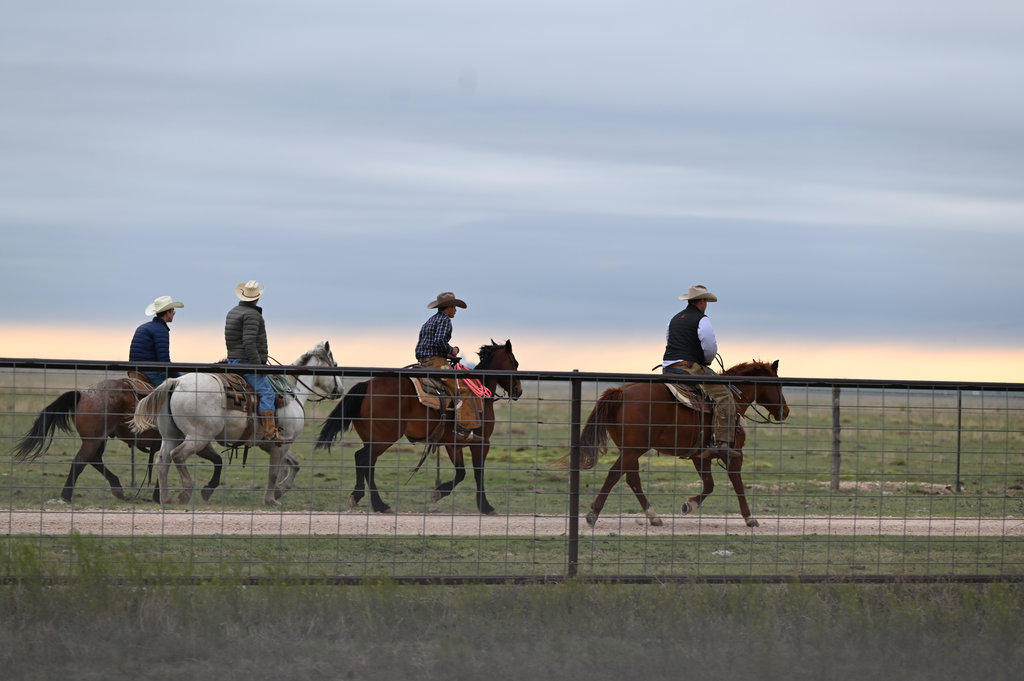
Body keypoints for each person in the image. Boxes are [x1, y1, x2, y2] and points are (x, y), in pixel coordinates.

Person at [662, 284, 738, 455]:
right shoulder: (702, 320)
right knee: (724, 395)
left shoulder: (673, 319)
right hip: (690, 369)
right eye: (706, 301)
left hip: (668, 368)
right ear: (702, 301)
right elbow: (710, 347)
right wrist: (706, 361)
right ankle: (722, 443)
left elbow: (669, 341)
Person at [415, 291, 481, 441]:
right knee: (463, 389)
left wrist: (447, 352)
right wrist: (452, 350)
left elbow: (432, 343)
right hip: (436, 363)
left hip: (424, 361)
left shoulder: (430, 320)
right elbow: (439, 341)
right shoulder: (445, 320)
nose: (456, 310)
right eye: (454, 307)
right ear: (449, 307)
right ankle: (463, 429)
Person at [224, 280, 281, 443]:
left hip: (233, 359)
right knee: (268, 393)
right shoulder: (252, 315)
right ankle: (270, 432)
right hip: (246, 362)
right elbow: (249, 343)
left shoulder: (233, 311)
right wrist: (258, 365)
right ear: (257, 298)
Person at [129, 295, 184, 387]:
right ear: (167, 312)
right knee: (177, 389)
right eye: (173, 311)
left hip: (134, 370)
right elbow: (164, 361)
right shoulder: (161, 330)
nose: (174, 314)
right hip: (149, 372)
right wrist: (179, 378)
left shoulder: (145, 326)